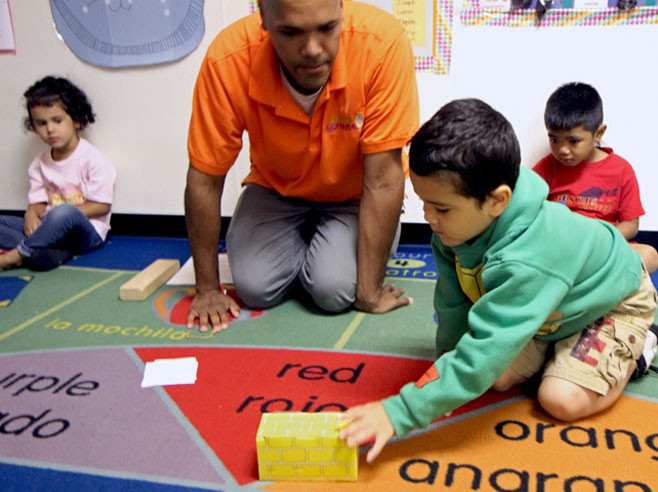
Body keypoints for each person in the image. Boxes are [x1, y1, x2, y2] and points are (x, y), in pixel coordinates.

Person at [338, 98, 658, 463]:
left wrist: (400, 411)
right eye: (424, 203)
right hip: (549, 310)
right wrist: (445, 369)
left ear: (497, 201)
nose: (428, 217)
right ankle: (558, 347)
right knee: (493, 376)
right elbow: (452, 303)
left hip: (612, 302)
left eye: (441, 208)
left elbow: (488, 347)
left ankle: (642, 347)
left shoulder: (529, 257)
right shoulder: (452, 231)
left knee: (559, 399)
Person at [184, 0, 419, 332]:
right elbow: (205, 179)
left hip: (355, 195)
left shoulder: (382, 44)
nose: (312, 50)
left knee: (333, 290)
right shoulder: (229, 58)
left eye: (326, 28)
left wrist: (369, 292)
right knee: (254, 288)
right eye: (291, 31)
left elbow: (383, 180)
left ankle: (327, 250)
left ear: (341, 9)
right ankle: (316, 243)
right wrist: (207, 289)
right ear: (263, 17)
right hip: (276, 187)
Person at [533, 82, 658, 274]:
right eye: (554, 140)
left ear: (598, 133)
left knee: (650, 256)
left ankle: (591, 280)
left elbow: (631, 225)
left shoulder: (621, 170)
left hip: (604, 247)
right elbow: (526, 208)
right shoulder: (547, 167)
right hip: (562, 247)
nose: (562, 150)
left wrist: (603, 239)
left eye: (573, 141)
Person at [0, 76, 116, 271]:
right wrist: (31, 214)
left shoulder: (92, 159)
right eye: (41, 123)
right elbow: (37, 203)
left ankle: (17, 255)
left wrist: (59, 216)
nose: (50, 129)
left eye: (57, 120)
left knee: (64, 212)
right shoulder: (39, 163)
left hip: (86, 233)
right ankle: (42, 252)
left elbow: (102, 205)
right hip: (49, 227)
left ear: (77, 120)